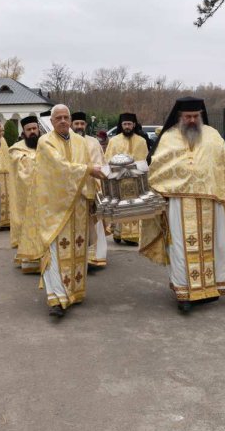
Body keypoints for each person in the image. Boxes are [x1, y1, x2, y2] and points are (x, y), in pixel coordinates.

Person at [140, 98, 225, 312]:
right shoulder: (168, 137)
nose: (192, 120)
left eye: (195, 116)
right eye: (188, 117)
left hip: (211, 202)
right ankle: (184, 293)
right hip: (178, 203)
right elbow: (157, 166)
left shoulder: (213, 135)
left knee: (214, 246)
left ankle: (209, 289)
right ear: (180, 117)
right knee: (181, 248)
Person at [26, 105, 107, 318]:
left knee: (77, 251)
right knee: (56, 250)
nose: (63, 121)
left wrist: (97, 184)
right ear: (51, 122)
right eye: (58, 118)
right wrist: (89, 170)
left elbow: (90, 165)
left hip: (78, 206)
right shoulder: (46, 142)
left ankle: (74, 293)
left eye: (66, 117)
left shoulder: (81, 142)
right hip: (55, 209)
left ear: (70, 120)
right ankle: (57, 298)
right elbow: (60, 167)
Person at [104, 113, 153, 246]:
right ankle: (118, 233)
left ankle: (133, 236)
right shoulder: (114, 140)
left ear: (134, 125)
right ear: (121, 125)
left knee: (135, 206)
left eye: (129, 124)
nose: (127, 127)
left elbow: (144, 160)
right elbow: (108, 159)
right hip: (118, 180)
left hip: (135, 180)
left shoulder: (141, 141)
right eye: (125, 124)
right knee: (120, 207)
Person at [71, 111, 111, 270]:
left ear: (86, 125)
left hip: (94, 188)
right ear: (71, 125)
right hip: (76, 189)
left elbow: (102, 163)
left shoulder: (94, 142)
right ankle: (78, 255)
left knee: (97, 223)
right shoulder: (68, 142)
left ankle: (97, 256)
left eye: (82, 123)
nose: (79, 126)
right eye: (76, 124)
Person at [8, 115, 42, 273]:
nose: (33, 132)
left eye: (35, 128)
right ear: (24, 132)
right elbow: (21, 169)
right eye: (29, 130)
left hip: (44, 196)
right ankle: (29, 261)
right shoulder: (16, 149)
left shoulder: (45, 145)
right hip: (25, 198)